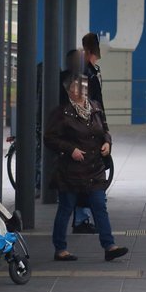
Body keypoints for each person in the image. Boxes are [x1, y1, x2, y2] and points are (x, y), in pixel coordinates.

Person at [44, 73, 127, 263]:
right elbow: (50, 138)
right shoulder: (61, 113)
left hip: (94, 168)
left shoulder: (95, 108)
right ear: (68, 91)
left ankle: (109, 245)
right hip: (71, 170)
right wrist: (70, 149)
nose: (80, 90)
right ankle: (60, 248)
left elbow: (104, 131)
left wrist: (107, 143)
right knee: (66, 207)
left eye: (83, 86)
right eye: (75, 87)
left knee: (99, 205)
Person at [58, 49, 95, 233]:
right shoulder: (65, 80)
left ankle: (82, 220)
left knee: (82, 187)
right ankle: (79, 222)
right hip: (72, 142)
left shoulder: (84, 77)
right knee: (73, 191)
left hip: (81, 139)